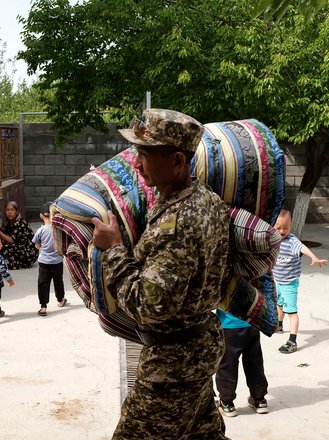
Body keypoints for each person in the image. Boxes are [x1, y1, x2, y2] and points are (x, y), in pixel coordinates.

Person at [91, 109, 231, 439]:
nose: (136, 164)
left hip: (173, 365)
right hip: (198, 346)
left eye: (144, 155)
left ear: (178, 161)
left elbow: (150, 307)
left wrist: (112, 249)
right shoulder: (205, 199)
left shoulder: (178, 223)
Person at [273, 208, 328, 354]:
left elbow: (302, 247)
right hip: (278, 280)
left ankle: (292, 341)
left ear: (291, 225)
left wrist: (313, 257)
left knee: (291, 311)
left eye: (286, 227)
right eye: (278, 228)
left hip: (289, 283)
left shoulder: (292, 241)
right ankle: (278, 326)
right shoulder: (273, 239)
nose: (282, 231)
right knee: (279, 304)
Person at [215, 309, 269, 417]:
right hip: (252, 323)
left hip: (229, 326)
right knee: (254, 361)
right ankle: (259, 399)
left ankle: (226, 402)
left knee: (228, 364)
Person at [32, 201, 67, 317]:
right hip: (57, 261)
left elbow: (37, 245)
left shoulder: (40, 230)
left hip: (44, 262)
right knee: (58, 281)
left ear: (41, 215)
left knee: (43, 283)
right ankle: (61, 300)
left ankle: (43, 307)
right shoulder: (59, 229)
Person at [0, 201, 39, 270]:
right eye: (7, 210)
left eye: (12, 210)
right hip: (19, 248)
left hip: (28, 253)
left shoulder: (20, 223)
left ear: (16, 212)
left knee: (4, 248)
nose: (9, 212)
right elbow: (1, 233)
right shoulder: (9, 222)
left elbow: (11, 241)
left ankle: (13, 264)